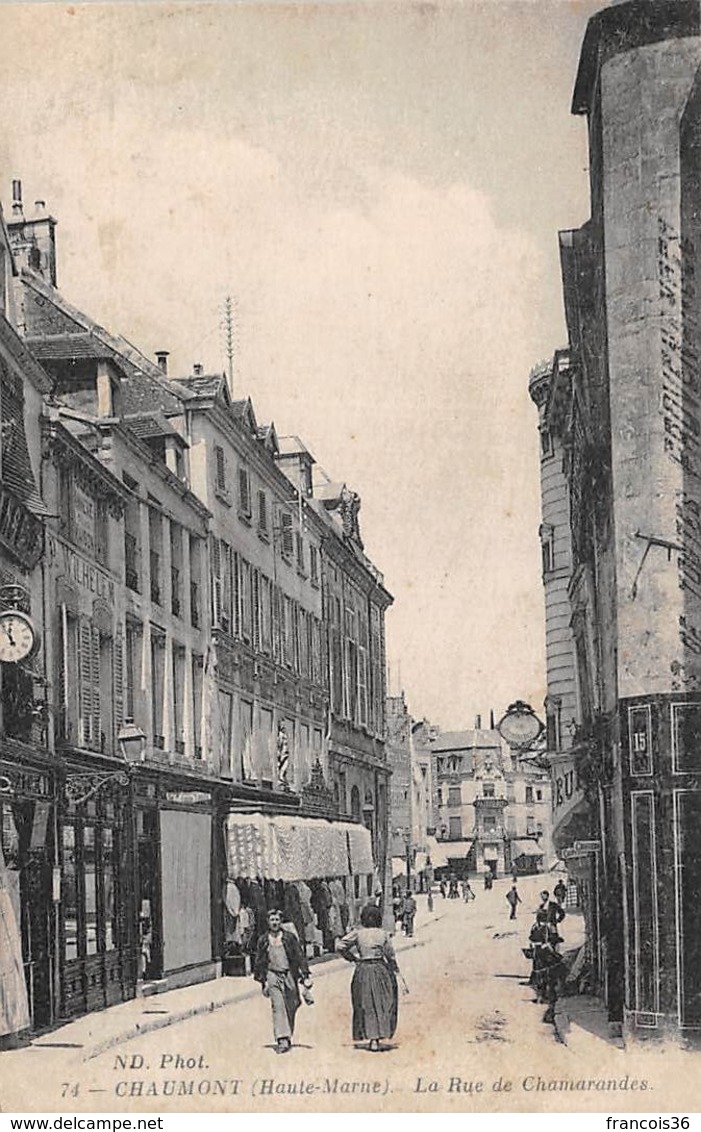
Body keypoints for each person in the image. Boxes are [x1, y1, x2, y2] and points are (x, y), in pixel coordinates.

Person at [337, 903, 402, 1051]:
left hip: (363, 970)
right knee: (383, 1003)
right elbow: (390, 954)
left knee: (366, 1004)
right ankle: (377, 1037)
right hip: (380, 969)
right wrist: (395, 968)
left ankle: (371, 1037)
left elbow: (340, 946)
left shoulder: (358, 933)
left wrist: (353, 958)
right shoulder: (383, 934)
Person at [254, 908, 313, 1054]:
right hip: (272, 975)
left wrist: (305, 975)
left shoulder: (289, 938)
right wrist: (263, 981)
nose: (274, 923)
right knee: (278, 1006)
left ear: (281, 921)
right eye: (272, 920)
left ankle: (287, 1033)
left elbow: (299, 956)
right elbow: (259, 961)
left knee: (292, 1004)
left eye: (277, 920)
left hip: (289, 975)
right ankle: (282, 1039)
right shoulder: (263, 940)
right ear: (268, 922)